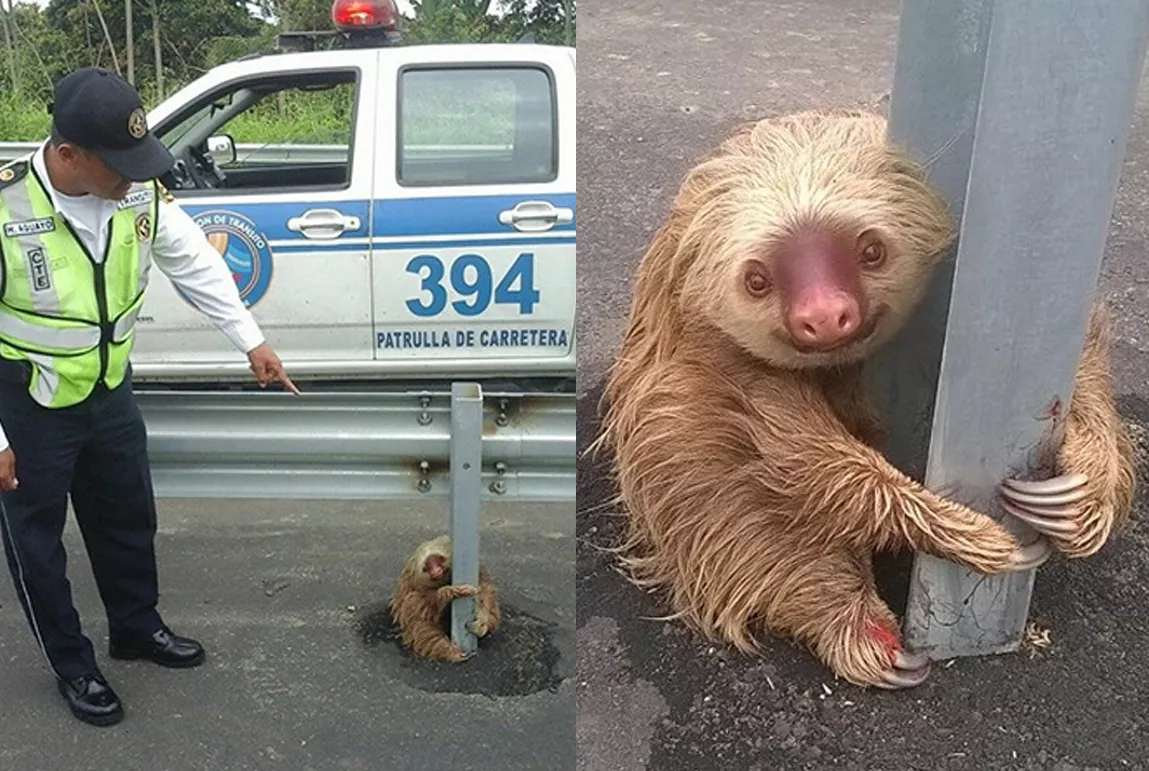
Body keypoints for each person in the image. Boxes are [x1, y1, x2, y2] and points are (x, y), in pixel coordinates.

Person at [0, 66, 299, 727]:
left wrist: (249, 339)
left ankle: (135, 626)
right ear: (69, 154)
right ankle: (73, 664)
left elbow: (194, 260)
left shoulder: (139, 194)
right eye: (121, 166)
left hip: (107, 390)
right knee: (38, 547)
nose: (134, 178)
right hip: (28, 407)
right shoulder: (6, 208)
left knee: (127, 518)